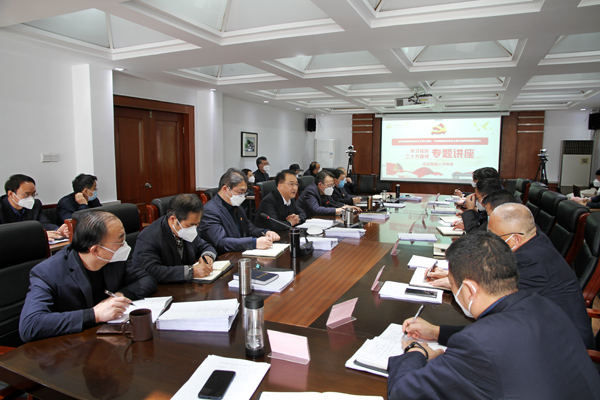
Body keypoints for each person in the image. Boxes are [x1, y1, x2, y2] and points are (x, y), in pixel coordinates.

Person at [388, 231, 600, 400]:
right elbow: (500, 338)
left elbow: (404, 392)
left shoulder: (479, 344)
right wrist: (437, 332)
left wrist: (416, 351)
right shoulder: (542, 304)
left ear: (469, 289)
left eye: (452, 285)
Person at [19, 210, 157, 342]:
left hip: (109, 339)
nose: (124, 246)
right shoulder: (48, 272)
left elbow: (147, 279)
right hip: (71, 346)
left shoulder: (112, 259)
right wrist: (95, 314)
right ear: (95, 250)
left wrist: (119, 296)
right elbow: (30, 325)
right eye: (119, 242)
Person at [132, 194, 217, 283]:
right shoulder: (149, 236)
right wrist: (191, 271)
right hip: (161, 287)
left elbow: (205, 246)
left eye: (197, 224)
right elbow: (151, 270)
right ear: (173, 219)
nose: (194, 229)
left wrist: (207, 256)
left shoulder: (187, 230)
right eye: (190, 225)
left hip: (186, 286)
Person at [198, 168, 280, 254]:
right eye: (240, 192)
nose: (243, 197)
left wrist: (265, 232)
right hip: (224, 257)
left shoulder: (236, 206)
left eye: (245, 193)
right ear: (225, 189)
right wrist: (254, 243)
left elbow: (249, 229)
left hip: (240, 253)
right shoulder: (210, 211)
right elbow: (221, 242)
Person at [1, 174, 68, 239]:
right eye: (26, 195)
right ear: (11, 194)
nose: (31, 198)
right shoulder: (1, 208)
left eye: (33, 194)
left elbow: (44, 223)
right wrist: (38, 234)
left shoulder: (35, 204)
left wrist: (57, 230)